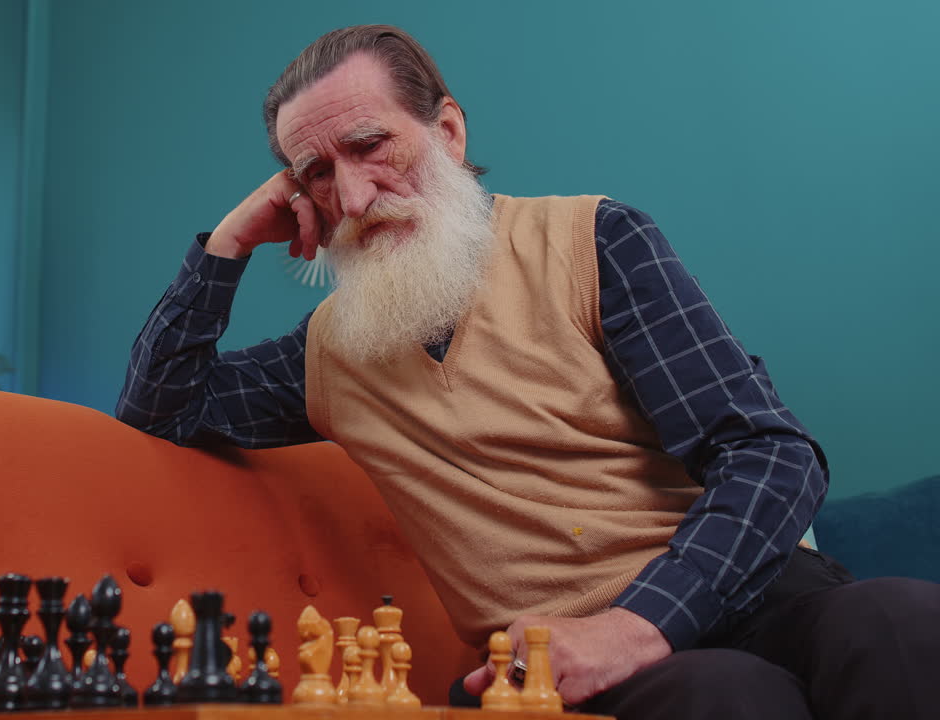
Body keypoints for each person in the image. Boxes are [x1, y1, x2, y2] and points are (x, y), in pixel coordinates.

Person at [116, 24, 939, 719]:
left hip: (751, 582)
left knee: (907, 620)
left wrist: (643, 621)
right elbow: (160, 411)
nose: (355, 197)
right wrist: (223, 248)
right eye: (317, 174)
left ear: (447, 133)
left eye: (370, 147)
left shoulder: (594, 239)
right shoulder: (323, 353)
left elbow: (770, 453)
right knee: (725, 695)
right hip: (560, 657)